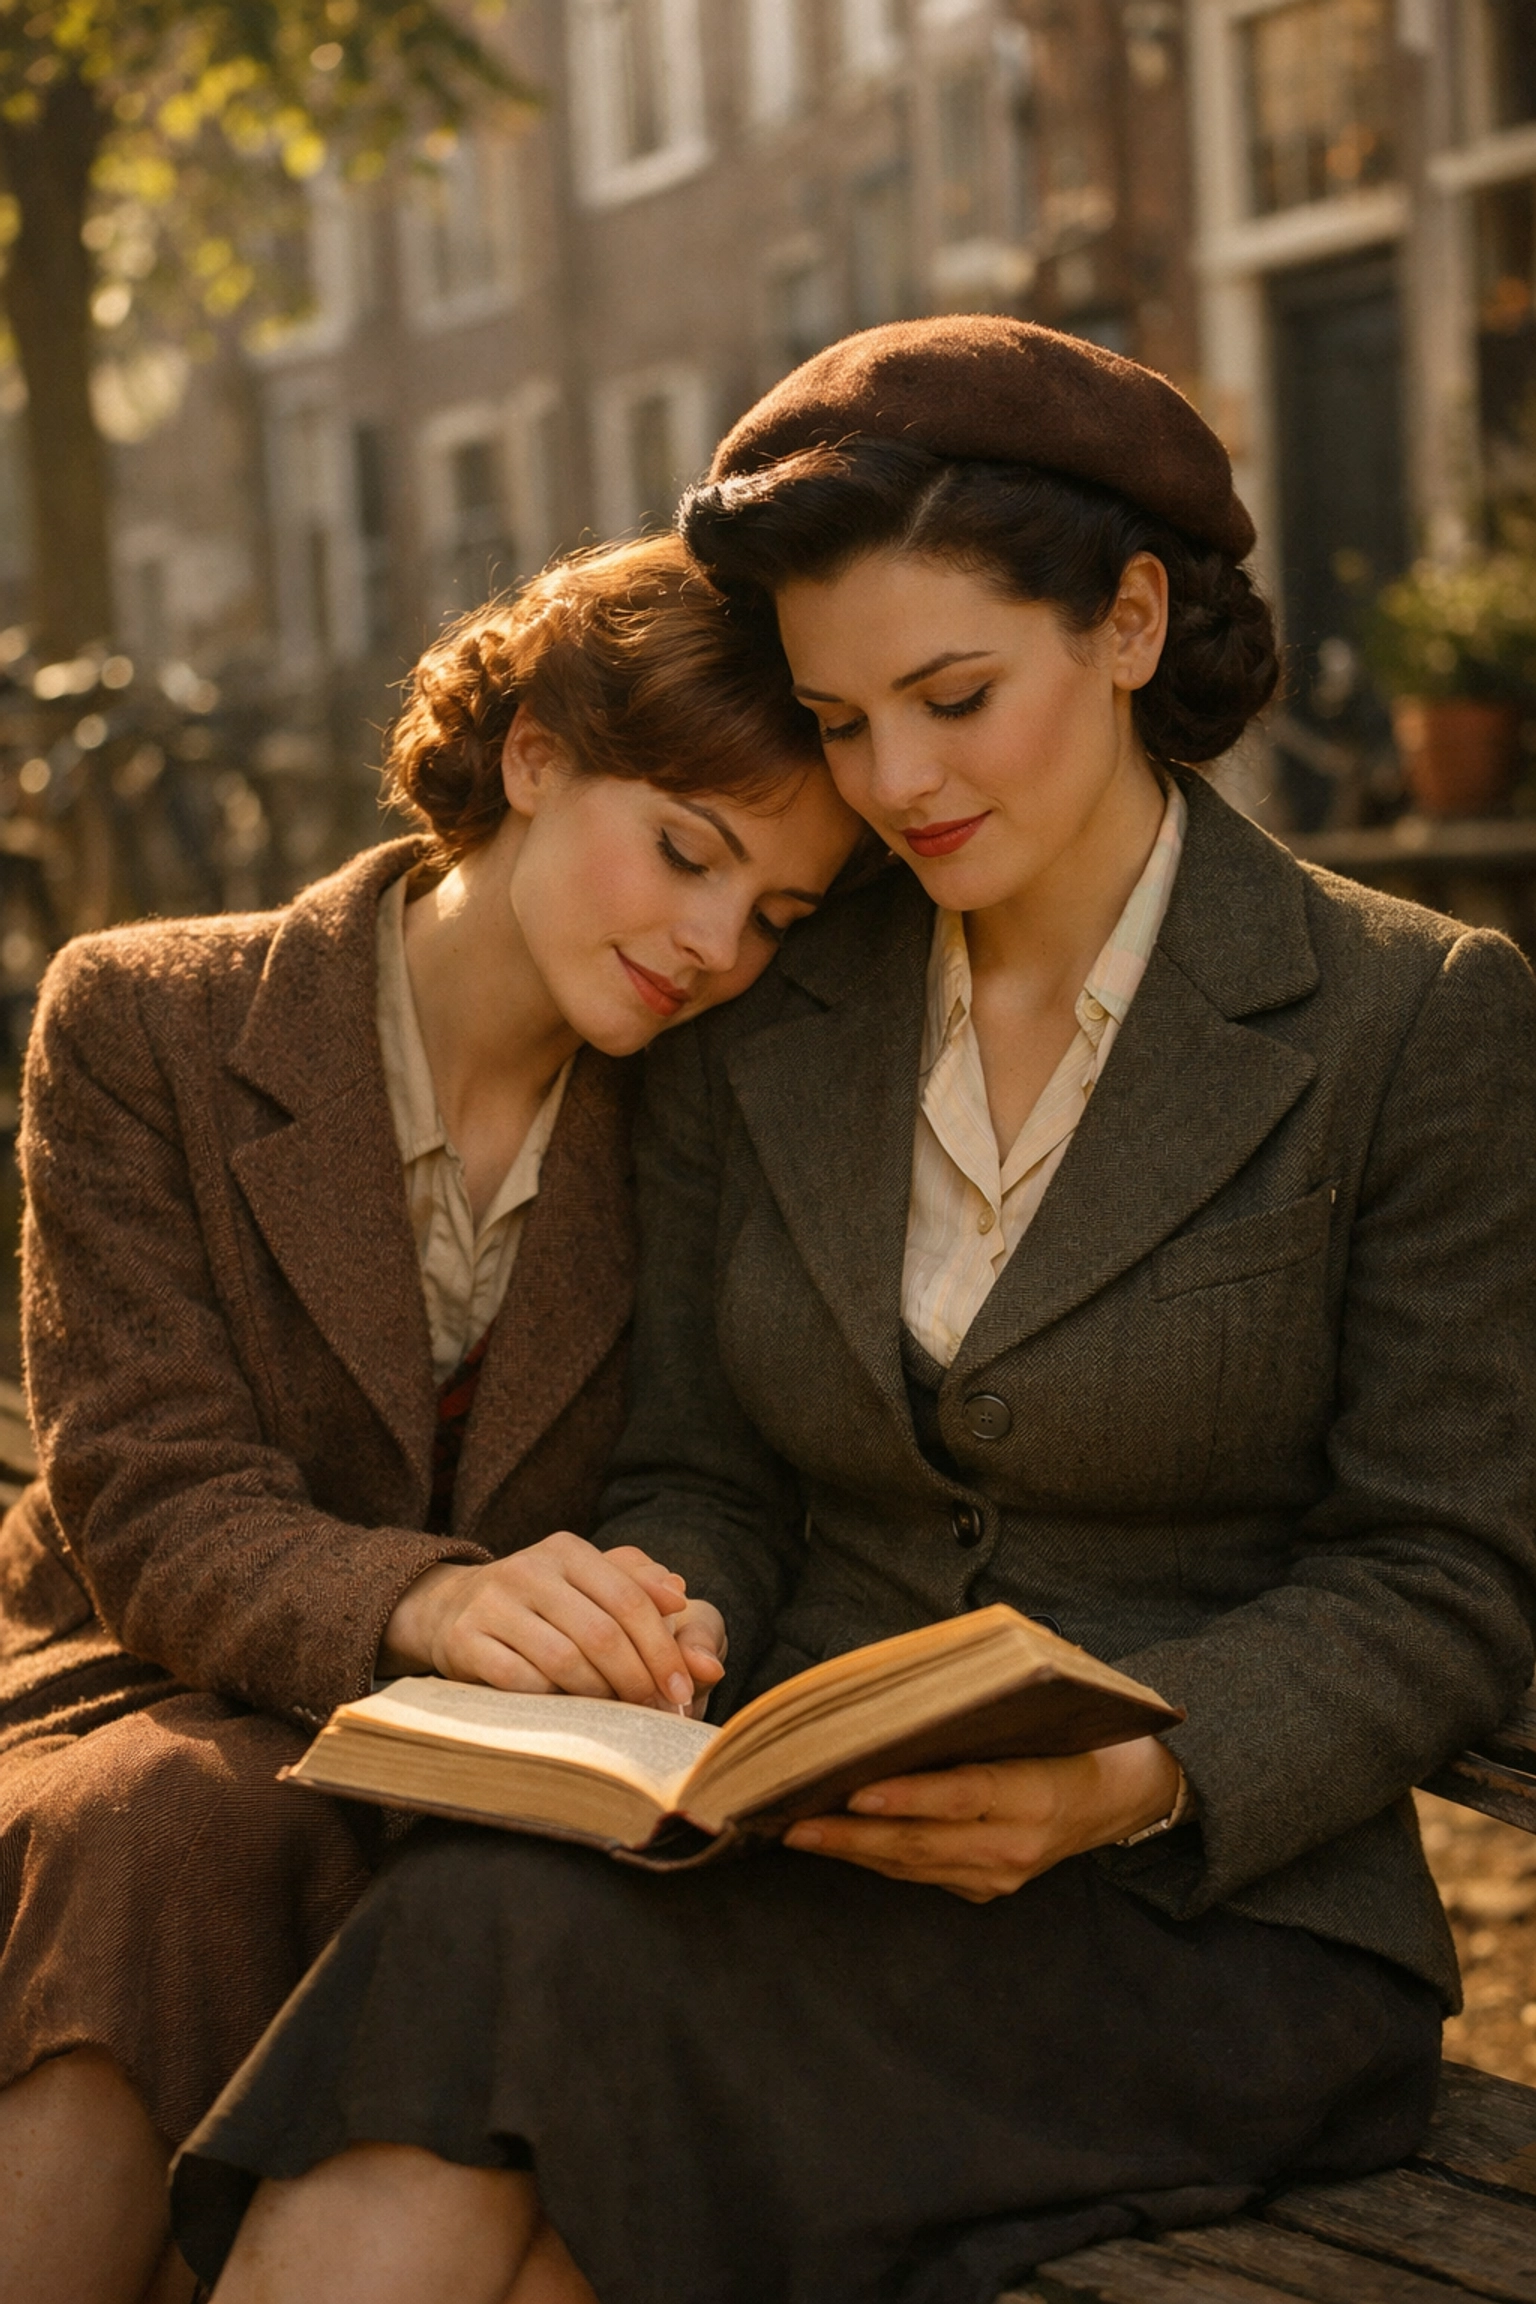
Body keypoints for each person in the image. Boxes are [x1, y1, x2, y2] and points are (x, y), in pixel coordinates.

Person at [174, 319, 1536, 2304]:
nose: (895, 781)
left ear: (1134, 619)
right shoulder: (774, 1005)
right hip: (788, 1867)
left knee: (505, 2054)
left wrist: (1138, 1775)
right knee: (483, 1974)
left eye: (955, 696)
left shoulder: (1406, 1019)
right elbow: (705, 1466)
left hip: (1196, 1928)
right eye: (837, 719)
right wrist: (667, 1626)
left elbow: (1445, 1572)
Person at [0, 531, 861, 2304]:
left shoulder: (711, 1113)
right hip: (136, 1685)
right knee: (180, 1827)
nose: (712, 944)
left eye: (774, 913)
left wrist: (657, 1615)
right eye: (690, 851)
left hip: (505, 1761)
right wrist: (432, 1600)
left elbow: (709, 1479)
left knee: (501, 1913)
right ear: (533, 754)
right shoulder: (145, 1019)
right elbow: (147, 1498)